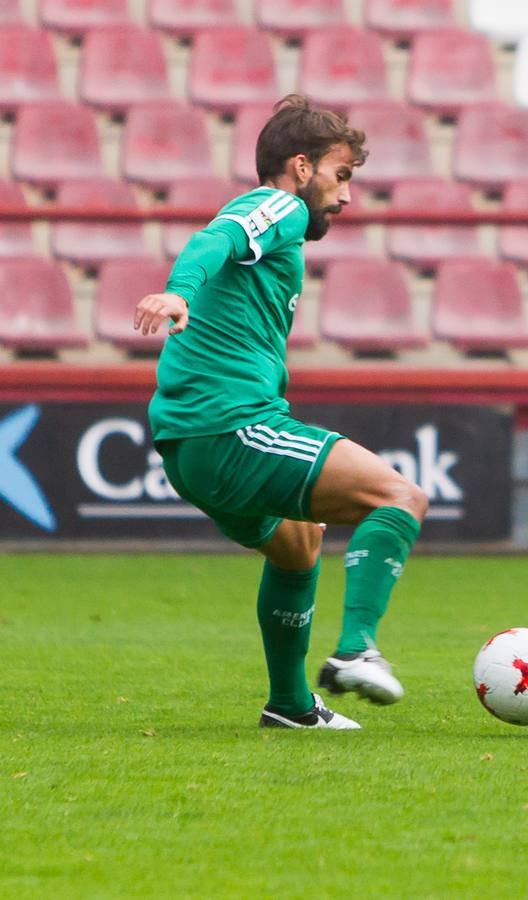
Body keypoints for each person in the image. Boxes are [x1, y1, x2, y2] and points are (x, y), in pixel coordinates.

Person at [132, 95, 426, 730]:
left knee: (298, 544)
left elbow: (227, 243)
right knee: (400, 499)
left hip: (188, 443)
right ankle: (356, 650)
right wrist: (178, 293)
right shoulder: (281, 205)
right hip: (232, 425)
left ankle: (290, 706)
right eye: (340, 175)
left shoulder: (273, 223)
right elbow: (217, 238)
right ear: (301, 166)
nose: (346, 195)